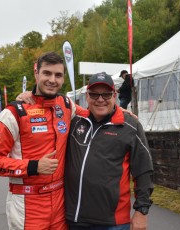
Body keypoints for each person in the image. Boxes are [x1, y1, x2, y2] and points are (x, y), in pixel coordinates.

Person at [0, 52, 84, 230]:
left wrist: (120, 112)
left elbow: (96, 114)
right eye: (47, 73)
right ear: (36, 73)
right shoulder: (14, 112)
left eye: (58, 75)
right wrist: (33, 166)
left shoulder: (66, 104)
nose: (52, 80)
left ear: (63, 79)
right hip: (27, 205)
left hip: (61, 203)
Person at [65, 72, 153, 230]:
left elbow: (144, 171)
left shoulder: (130, 126)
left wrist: (142, 211)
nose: (100, 99)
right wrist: (30, 94)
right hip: (74, 219)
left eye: (106, 94)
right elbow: (52, 103)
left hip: (113, 223)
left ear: (114, 95)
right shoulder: (75, 122)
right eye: (94, 94)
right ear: (87, 96)